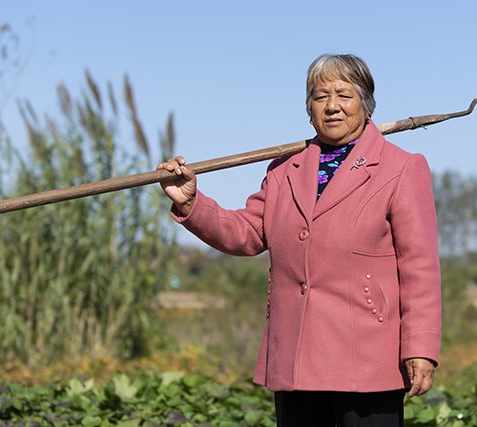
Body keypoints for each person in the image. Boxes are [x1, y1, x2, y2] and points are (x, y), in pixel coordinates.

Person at [157, 54, 441, 427]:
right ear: (309, 110)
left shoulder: (400, 168)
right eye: (320, 96)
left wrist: (420, 347)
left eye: (344, 94)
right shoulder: (283, 170)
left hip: (368, 356)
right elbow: (247, 232)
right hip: (295, 356)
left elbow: (419, 266)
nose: (332, 106)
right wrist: (193, 203)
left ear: (366, 104)